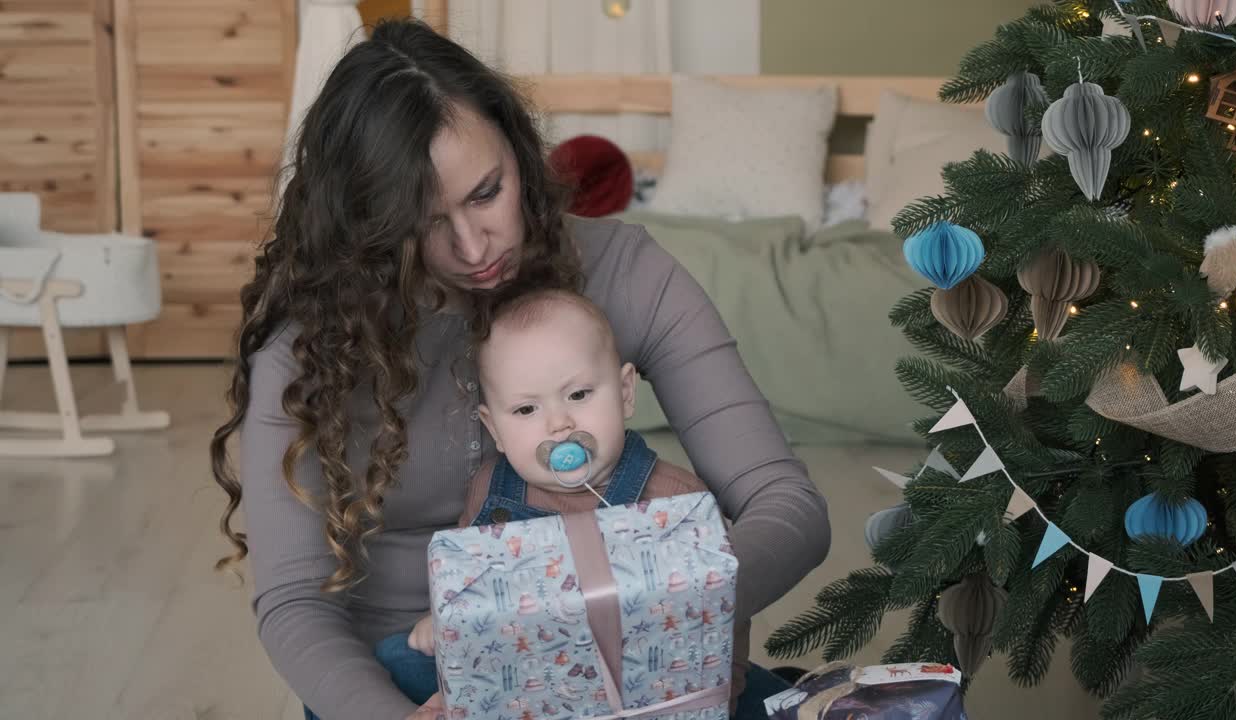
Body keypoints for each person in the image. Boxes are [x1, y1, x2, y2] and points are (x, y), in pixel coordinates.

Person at [209, 17, 831, 720]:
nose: (474, 246)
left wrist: (670, 607)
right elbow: (292, 603)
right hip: (412, 680)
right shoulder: (309, 345)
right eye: (424, 222)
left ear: (519, 150)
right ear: (366, 223)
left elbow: (787, 503)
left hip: (635, 663)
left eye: (486, 192)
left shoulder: (627, 270)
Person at [407, 286, 755, 715]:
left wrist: (723, 698)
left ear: (625, 392)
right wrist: (444, 625)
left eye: (578, 395)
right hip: (529, 696)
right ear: (493, 428)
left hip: (650, 697)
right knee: (397, 657)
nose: (558, 424)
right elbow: (465, 593)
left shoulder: (679, 503)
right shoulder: (490, 493)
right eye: (525, 410)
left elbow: (722, 618)